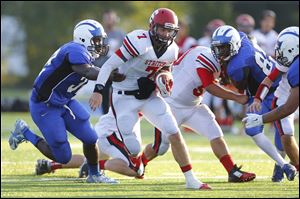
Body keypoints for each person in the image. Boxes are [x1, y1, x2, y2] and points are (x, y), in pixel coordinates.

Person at [89, 8, 211, 190]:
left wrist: (164, 79)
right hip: (124, 97)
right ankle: (106, 140)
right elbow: (109, 64)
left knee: (173, 132)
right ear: (152, 27)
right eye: (163, 29)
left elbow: (165, 71)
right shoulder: (139, 41)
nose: (166, 34)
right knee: (133, 149)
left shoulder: (173, 50)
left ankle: (191, 179)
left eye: (170, 30)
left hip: (150, 96)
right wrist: (99, 90)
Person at [8, 19, 125, 183]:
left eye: (100, 40)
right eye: (96, 40)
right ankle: (25, 132)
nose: (100, 44)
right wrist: (110, 75)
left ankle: (95, 175)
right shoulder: (75, 50)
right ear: (84, 39)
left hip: (64, 101)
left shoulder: (85, 53)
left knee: (90, 138)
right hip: (44, 105)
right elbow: (86, 71)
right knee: (63, 156)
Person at [139, 46, 256, 182]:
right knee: (160, 147)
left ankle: (233, 172)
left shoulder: (213, 57)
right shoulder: (205, 58)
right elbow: (210, 86)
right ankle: (139, 164)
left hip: (193, 105)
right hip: (171, 105)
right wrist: (236, 97)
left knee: (215, 132)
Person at [210, 25, 297, 182]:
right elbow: (251, 39)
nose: (219, 53)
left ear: (234, 45)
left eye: (223, 48)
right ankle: (283, 164)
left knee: (281, 132)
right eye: (217, 48)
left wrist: (226, 76)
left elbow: (240, 87)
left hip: (273, 90)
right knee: (253, 129)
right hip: (267, 84)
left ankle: (282, 165)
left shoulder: (237, 66)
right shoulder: (241, 37)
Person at [243, 26, 299, 182]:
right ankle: (284, 164)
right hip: (285, 99)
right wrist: (258, 99)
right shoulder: (290, 65)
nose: (278, 52)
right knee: (286, 136)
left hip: (292, 100)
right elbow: (269, 81)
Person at [35, 108, 144, 179]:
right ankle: (94, 166)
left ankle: (50, 165)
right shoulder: (134, 86)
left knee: (92, 157)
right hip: (111, 133)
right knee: (136, 169)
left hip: (106, 130)